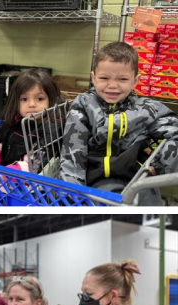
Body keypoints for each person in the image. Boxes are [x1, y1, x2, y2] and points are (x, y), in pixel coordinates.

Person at [61, 42, 178, 205]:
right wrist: (72, 197)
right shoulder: (84, 106)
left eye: (122, 79)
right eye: (104, 78)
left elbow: (175, 133)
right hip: (97, 182)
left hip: (138, 180)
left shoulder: (146, 110)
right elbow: (73, 152)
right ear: (93, 78)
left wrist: (157, 165)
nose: (113, 85)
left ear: (135, 81)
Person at [0, 69, 64, 171]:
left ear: (51, 100)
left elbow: (33, 167)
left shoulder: (52, 131)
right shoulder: (13, 123)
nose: (31, 104)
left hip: (30, 183)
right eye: (24, 99)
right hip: (5, 178)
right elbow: (0, 150)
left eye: (40, 99)